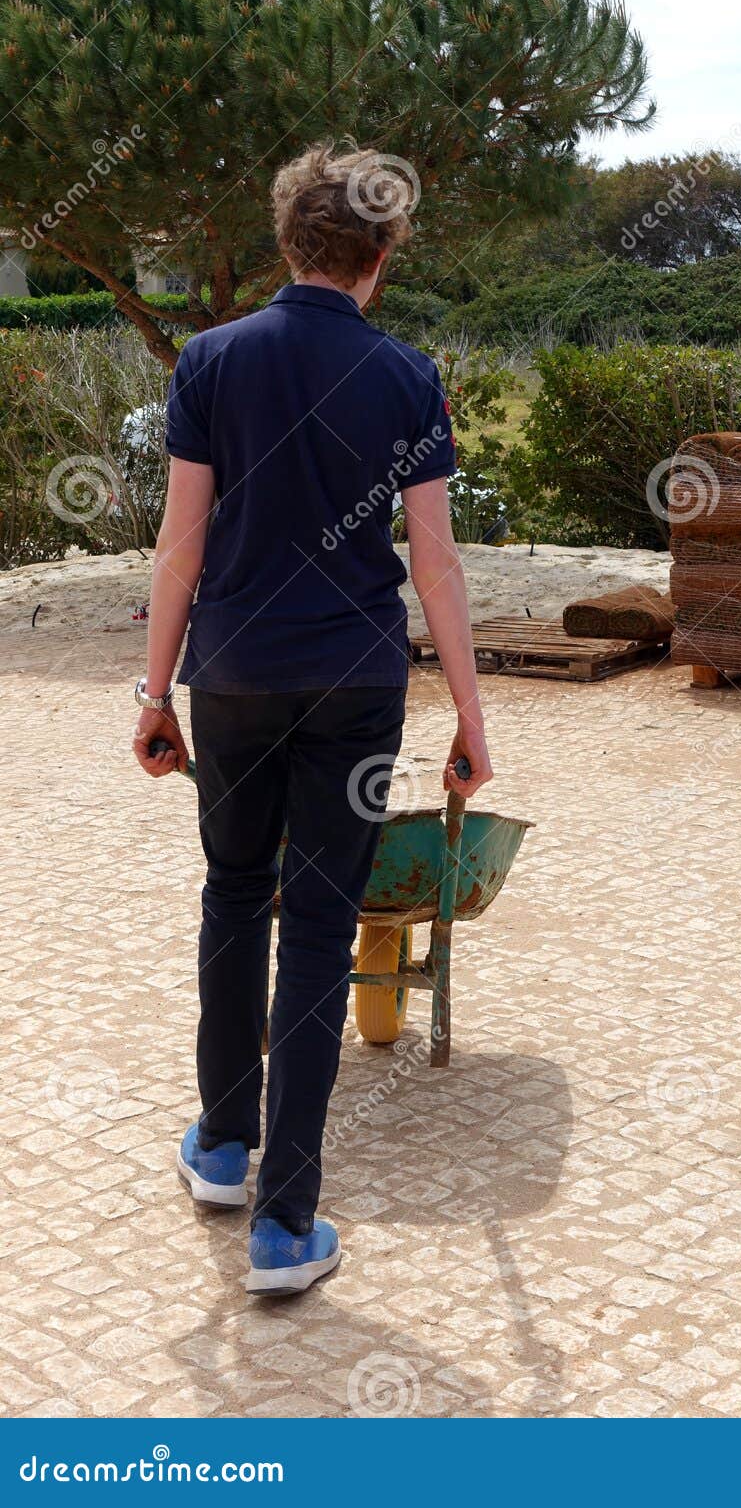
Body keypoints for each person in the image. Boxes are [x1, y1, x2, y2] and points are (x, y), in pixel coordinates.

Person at [131, 142, 491, 1294]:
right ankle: (287, 1226)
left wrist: (152, 690)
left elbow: (180, 543)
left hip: (230, 674)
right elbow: (434, 566)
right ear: (379, 255)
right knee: (322, 924)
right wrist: (472, 717)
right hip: (354, 683)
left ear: (290, 242)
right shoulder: (406, 376)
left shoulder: (209, 361)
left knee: (236, 892)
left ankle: (223, 1150)